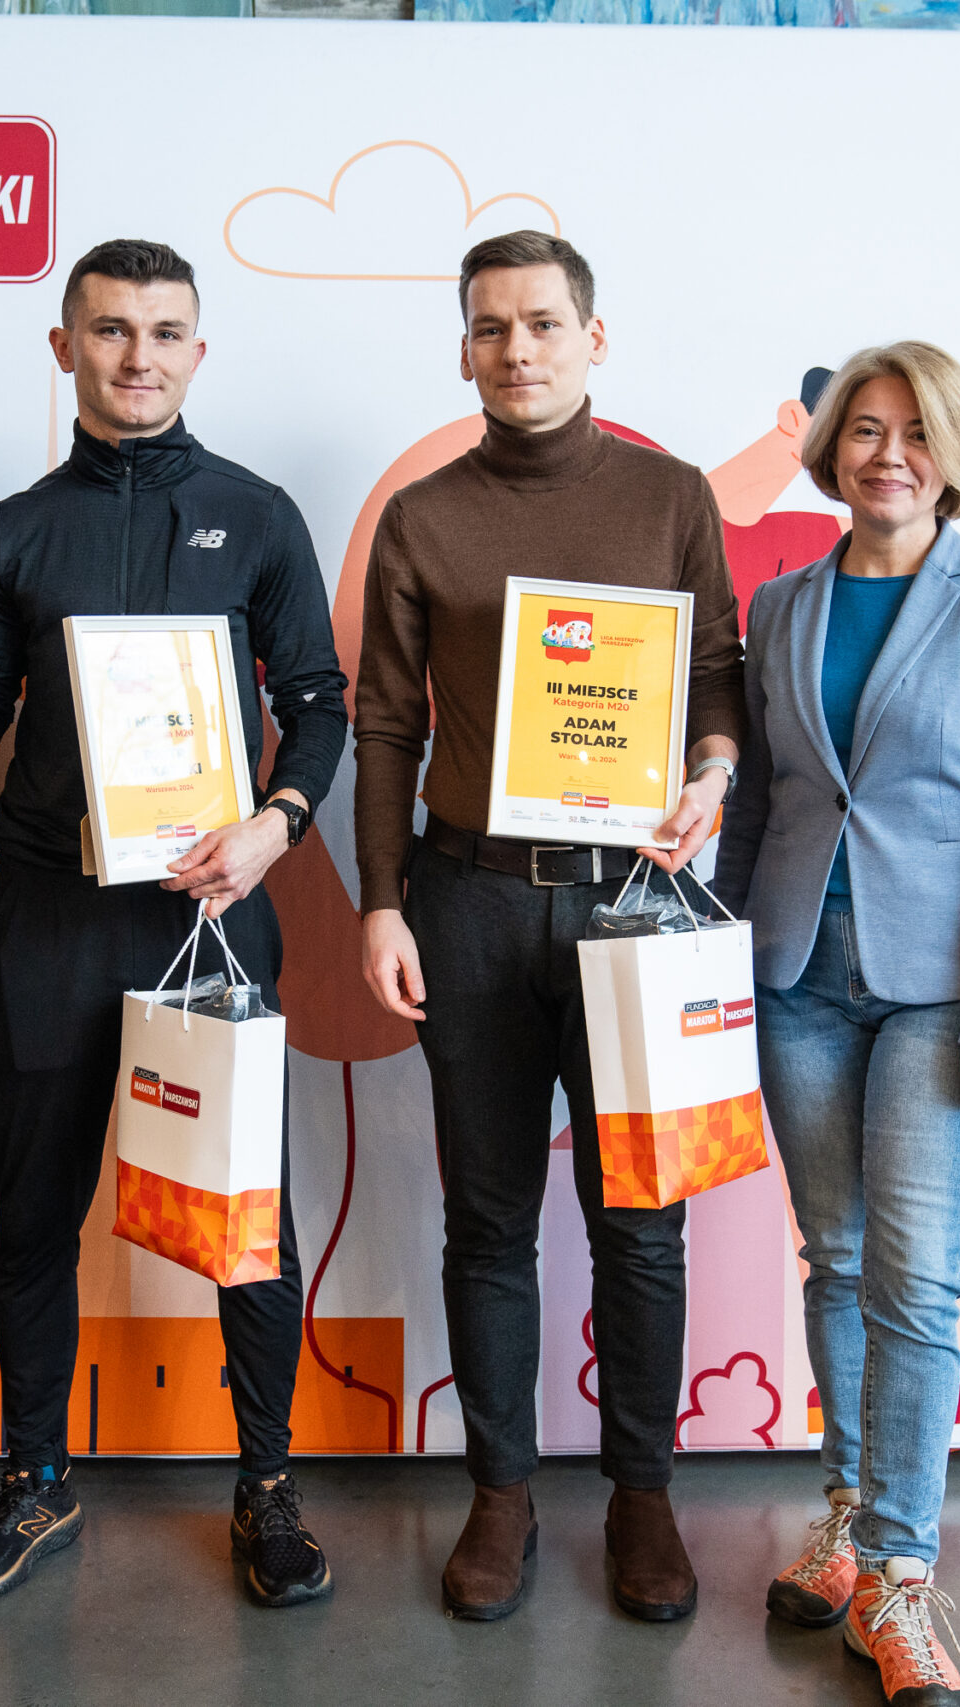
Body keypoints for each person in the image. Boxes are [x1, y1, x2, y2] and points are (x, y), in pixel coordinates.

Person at [0, 239, 348, 1609]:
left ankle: (267, 1489)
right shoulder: (13, 528)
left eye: (165, 331)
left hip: (212, 913)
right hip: (53, 918)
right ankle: (35, 1480)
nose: (140, 355)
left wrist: (278, 822)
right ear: (64, 345)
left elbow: (318, 701)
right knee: (35, 1214)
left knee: (244, 1219)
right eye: (112, 330)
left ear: (198, 349)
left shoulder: (258, 514)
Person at [353, 230, 745, 1623]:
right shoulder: (423, 517)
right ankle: (501, 1494)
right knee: (489, 1221)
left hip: (632, 908)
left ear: (594, 336)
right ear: (464, 347)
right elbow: (385, 725)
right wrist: (382, 901)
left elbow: (715, 671)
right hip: (467, 904)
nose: (515, 349)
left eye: (541, 323)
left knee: (642, 1220)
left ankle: (645, 1496)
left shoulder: (670, 495)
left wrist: (712, 768)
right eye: (490, 327)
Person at [710, 341, 960, 1706]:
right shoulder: (784, 604)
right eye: (864, 428)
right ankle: (852, 1521)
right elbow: (764, 805)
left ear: (952, 451)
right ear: (830, 449)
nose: (889, 454)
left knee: (915, 1278)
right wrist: (717, 962)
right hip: (798, 978)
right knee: (839, 1259)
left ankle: (904, 1578)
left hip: (943, 996)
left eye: (916, 431)